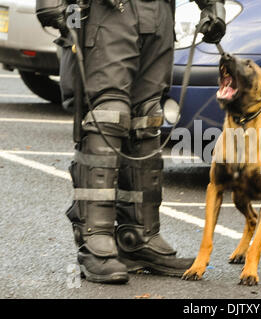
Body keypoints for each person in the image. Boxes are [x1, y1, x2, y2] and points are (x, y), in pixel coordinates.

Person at [36, 0, 226, 284]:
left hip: (159, 18)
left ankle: (139, 236)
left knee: (146, 121)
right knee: (107, 116)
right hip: (108, 16)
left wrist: (213, 5)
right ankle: (95, 237)